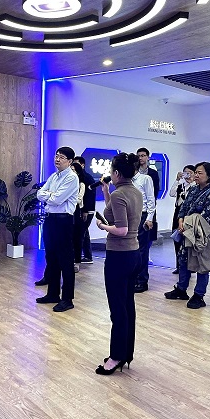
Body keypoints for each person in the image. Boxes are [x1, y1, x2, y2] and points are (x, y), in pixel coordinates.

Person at [95, 152, 143, 374]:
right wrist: (106, 192)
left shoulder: (119, 194)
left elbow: (121, 229)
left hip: (119, 255)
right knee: (127, 305)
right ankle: (125, 353)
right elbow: (118, 215)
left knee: (117, 309)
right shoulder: (134, 192)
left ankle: (115, 357)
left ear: (116, 173)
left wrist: (103, 227)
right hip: (133, 254)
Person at [165, 162, 210, 308]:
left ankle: (199, 295)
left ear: (209, 175)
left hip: (203, 233)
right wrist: (180, 220)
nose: (196, 175)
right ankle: (181, 289)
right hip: (187, 231)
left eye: (200, 173)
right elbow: (183, 207)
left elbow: (205, 215)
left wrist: (187, 223)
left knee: (202, 263)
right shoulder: (194, 189)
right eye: (195, 172)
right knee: (183, 259)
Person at [35, 146, 81, 312]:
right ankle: (53, 294)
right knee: (51, 258)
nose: (57, 159)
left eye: (61, 157)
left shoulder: (72, 178)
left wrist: (48, 195)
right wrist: (50, 195)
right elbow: (39, 194)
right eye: (56, 156)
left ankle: (67, 299)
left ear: (70, 161)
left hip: (63, 221)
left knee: (65, 260)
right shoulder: (54, 176)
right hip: (50, 220)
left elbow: (57, 199)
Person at [132, 148, 158, 292]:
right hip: (131, 217)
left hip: (142, 216)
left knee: (142, 250)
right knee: (133, 249)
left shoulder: (146, 178)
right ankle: (134, 278)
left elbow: (151, 199)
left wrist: (149, 218)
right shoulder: (129, 181)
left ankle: (142, 280)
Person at [74, 156, 100, 264]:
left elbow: (89, 196)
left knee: (80, 233)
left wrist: (85, 211)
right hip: (82, 210)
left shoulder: (87, 178)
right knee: (84, 232)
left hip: (87, 211)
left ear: (82, 165)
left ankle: (78, 258)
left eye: (76, 164)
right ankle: (88, 256)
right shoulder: (77, 177)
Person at [171, 166, 195, 273]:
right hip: (177, 215)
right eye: (185, 173)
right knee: (177, 239)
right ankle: (179, 266)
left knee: (189, 241)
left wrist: (192, 182)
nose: (188, 175)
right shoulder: (181, 186)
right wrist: (177, 180)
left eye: (190, 173)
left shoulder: (195, 187)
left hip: (189, 217)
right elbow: (172, 193)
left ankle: (190, 266)